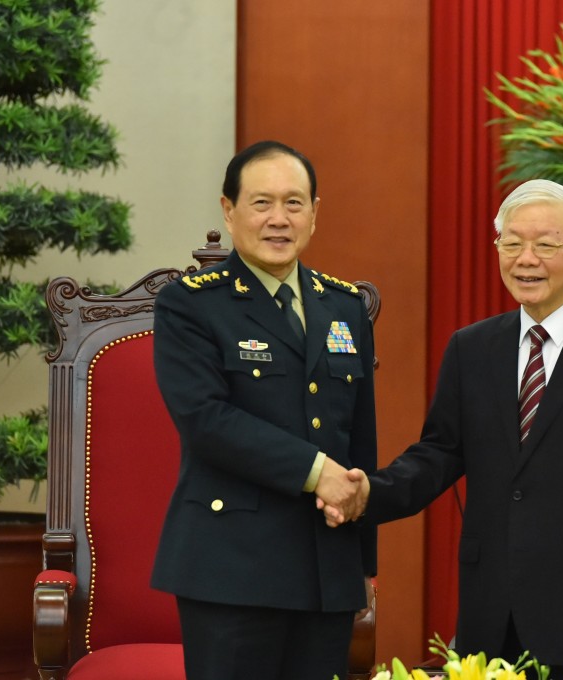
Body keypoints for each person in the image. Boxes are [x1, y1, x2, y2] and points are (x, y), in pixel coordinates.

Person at [328, 179, 563, 680]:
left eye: (544, 244)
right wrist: (367, 495)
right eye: (511, 243)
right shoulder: (472, 350)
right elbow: (437, 455)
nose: (525, 259)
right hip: (490, 623)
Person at [151, 140, 375, 680]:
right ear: (228, 210)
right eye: (261, 203)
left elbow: (359, 438)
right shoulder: (191, 303)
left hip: (327, 569)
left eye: (295, 204)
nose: (279, 219)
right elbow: (206, 420)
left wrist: (363, 562)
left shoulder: (344, 306)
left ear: (315, 214)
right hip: (232, 570)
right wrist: (316, 471)